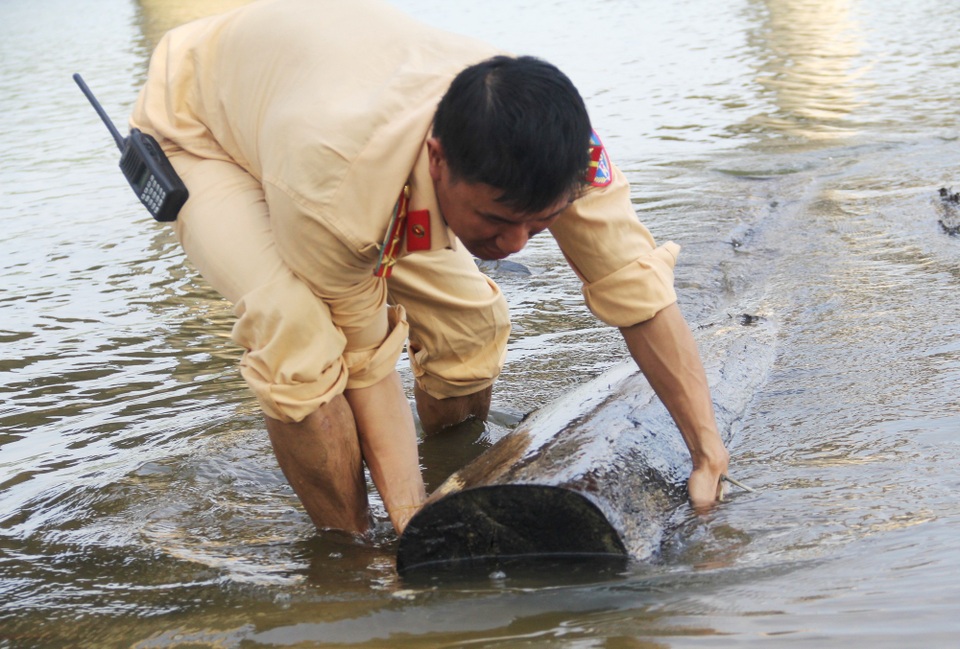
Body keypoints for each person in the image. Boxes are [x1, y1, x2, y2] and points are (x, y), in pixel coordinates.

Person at [130, 0, 730, 536]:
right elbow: (366, 364)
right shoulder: (341, 193)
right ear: (439, 161)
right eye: (497, 221)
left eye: (540, 223)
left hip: (307, 99)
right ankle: (353, 558)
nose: (516, 244)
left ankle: (451, 468)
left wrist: (707, 453)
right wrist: (412, 526)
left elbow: (637, 289)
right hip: (203, 128)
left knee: (470, 329)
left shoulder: (569, 154)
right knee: (300, 342)